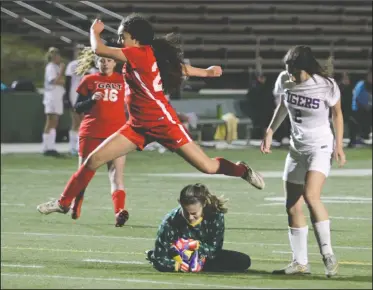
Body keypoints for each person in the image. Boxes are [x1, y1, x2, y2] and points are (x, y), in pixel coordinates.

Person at [36, 14, 264, 218]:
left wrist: (94, 32)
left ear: (135, 39)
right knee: (93, 160)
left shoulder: (138, 53)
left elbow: (100, 50)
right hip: (137, 126)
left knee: (208, 167)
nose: (119, 40)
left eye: (122, 35)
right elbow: (177, 68)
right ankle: (64, 203)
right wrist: (205, 72)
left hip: (163, 124)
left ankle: (242, 170)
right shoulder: (144, 54)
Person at [261, 45, 346, 277]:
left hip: (320, 146)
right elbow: (282, 105)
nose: (290, 75)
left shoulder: (326, 85)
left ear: (306, 69)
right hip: (297, 149)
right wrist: (270, 131)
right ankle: (300, 263)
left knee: (311, 196)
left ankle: (328, 255)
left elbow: (337, 114)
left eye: (294, 71)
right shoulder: (285, 79)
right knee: (292, 205)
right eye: (287, 70)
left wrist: (338, 145)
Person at [68, 44, 128, 226]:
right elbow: (77, 107)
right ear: (96, 61)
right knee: (83, 175)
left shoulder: (124, 80)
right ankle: (76, 203)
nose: (105, 63)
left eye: (109, 60)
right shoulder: (89, 79)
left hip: (116, 133)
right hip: (91, 132)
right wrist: (90, 100)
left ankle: (119, 212)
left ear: (115, 62)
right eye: (102, 60)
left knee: (116, 175)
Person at [145, 183, 251, 273]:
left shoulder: (215, 215)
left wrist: (196, 246)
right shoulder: (170, 221)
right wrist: (179, 265)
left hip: (206, 256)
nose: (190, 218)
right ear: (180, 203)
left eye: (194, 213)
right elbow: (160, 259)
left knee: (243, 261)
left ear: (203, 204)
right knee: (160, 260)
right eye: (186, 213)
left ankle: (200, 265)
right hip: (177, 256)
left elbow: (214, 250)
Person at [42, 47, 65, 157]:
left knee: (55, 122)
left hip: (57, 96)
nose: (59, 57)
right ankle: (46, 147)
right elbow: (55, 81)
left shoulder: (55, 67)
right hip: (51, 96)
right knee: (50, 121)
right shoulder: (51, 67)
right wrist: (61, 71)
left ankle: (51, 146)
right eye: (57, 55)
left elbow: (61, 81)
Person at [64, 44, 85, 156]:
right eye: (78, 51)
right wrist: (67, 98)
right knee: (76, 121)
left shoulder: (88, 66)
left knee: (84, 122)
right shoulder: (72, 65)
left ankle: (80, 146)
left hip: (85, 95)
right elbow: (67, 82)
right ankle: (72, 147)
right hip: (74, 95)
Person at [348, 67, 372, 148]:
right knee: (354, 119)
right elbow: (356, 97)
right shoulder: (361, 84)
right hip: (358, 110)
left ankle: (366, 136)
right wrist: (365, 105)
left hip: (369, 110)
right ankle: (354, 140)